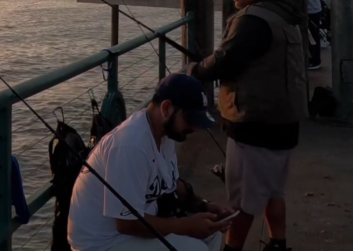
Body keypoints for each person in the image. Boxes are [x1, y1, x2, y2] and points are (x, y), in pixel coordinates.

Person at [187, 0, 306, 251]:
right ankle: (278, 243)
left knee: (243, 200)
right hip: (284, 121)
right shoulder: (281, 13)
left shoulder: (253, 20)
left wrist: (196, 70)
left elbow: (226, 60)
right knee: (272, 191)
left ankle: (232, 249)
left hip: (256, 123)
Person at [68, 74, 231, 251]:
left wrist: (204, 206)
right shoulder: (130, 145)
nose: (196, 128)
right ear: (166, 108)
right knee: (196, 249)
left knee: (212, 230)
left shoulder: (165, 134)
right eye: (190, 119)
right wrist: (184, 225)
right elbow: (126, 224)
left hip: (129, 231)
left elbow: (173, 185)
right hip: (102, 242)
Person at [305, 0, 323, 69]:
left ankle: (315, 61)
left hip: (312, 12)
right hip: (315, 10)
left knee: (312, 38)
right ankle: (314, 59)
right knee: (313, 37)